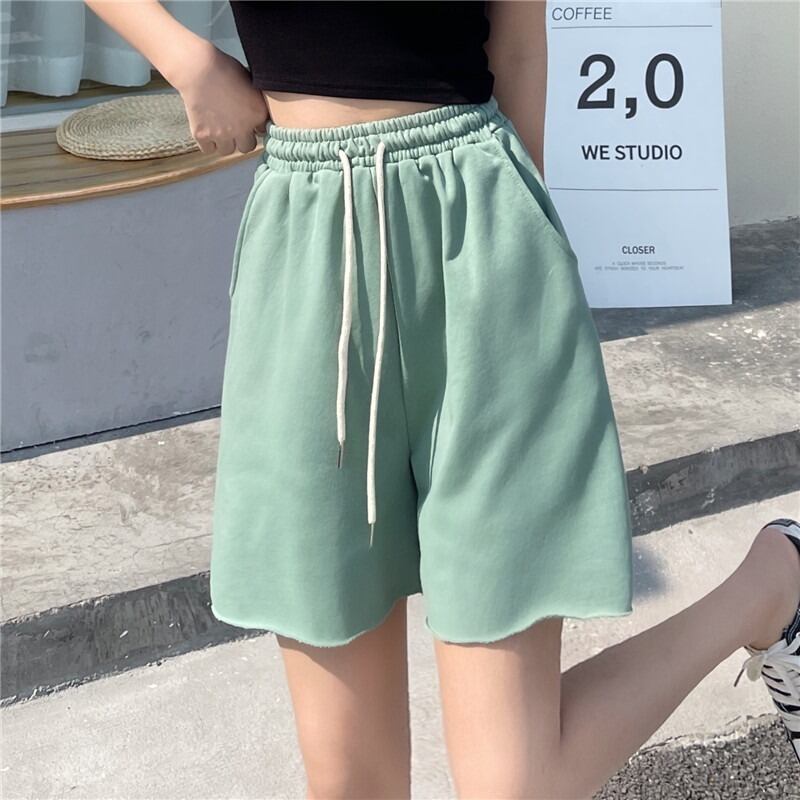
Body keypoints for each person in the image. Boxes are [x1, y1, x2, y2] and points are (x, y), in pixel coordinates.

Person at [84, 1, 800, 797]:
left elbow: (520, 49)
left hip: (480, 236)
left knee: (517, 784)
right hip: (310, 246)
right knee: (350, 783)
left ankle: (769, 585)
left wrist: (521, 250)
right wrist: (184, 58)